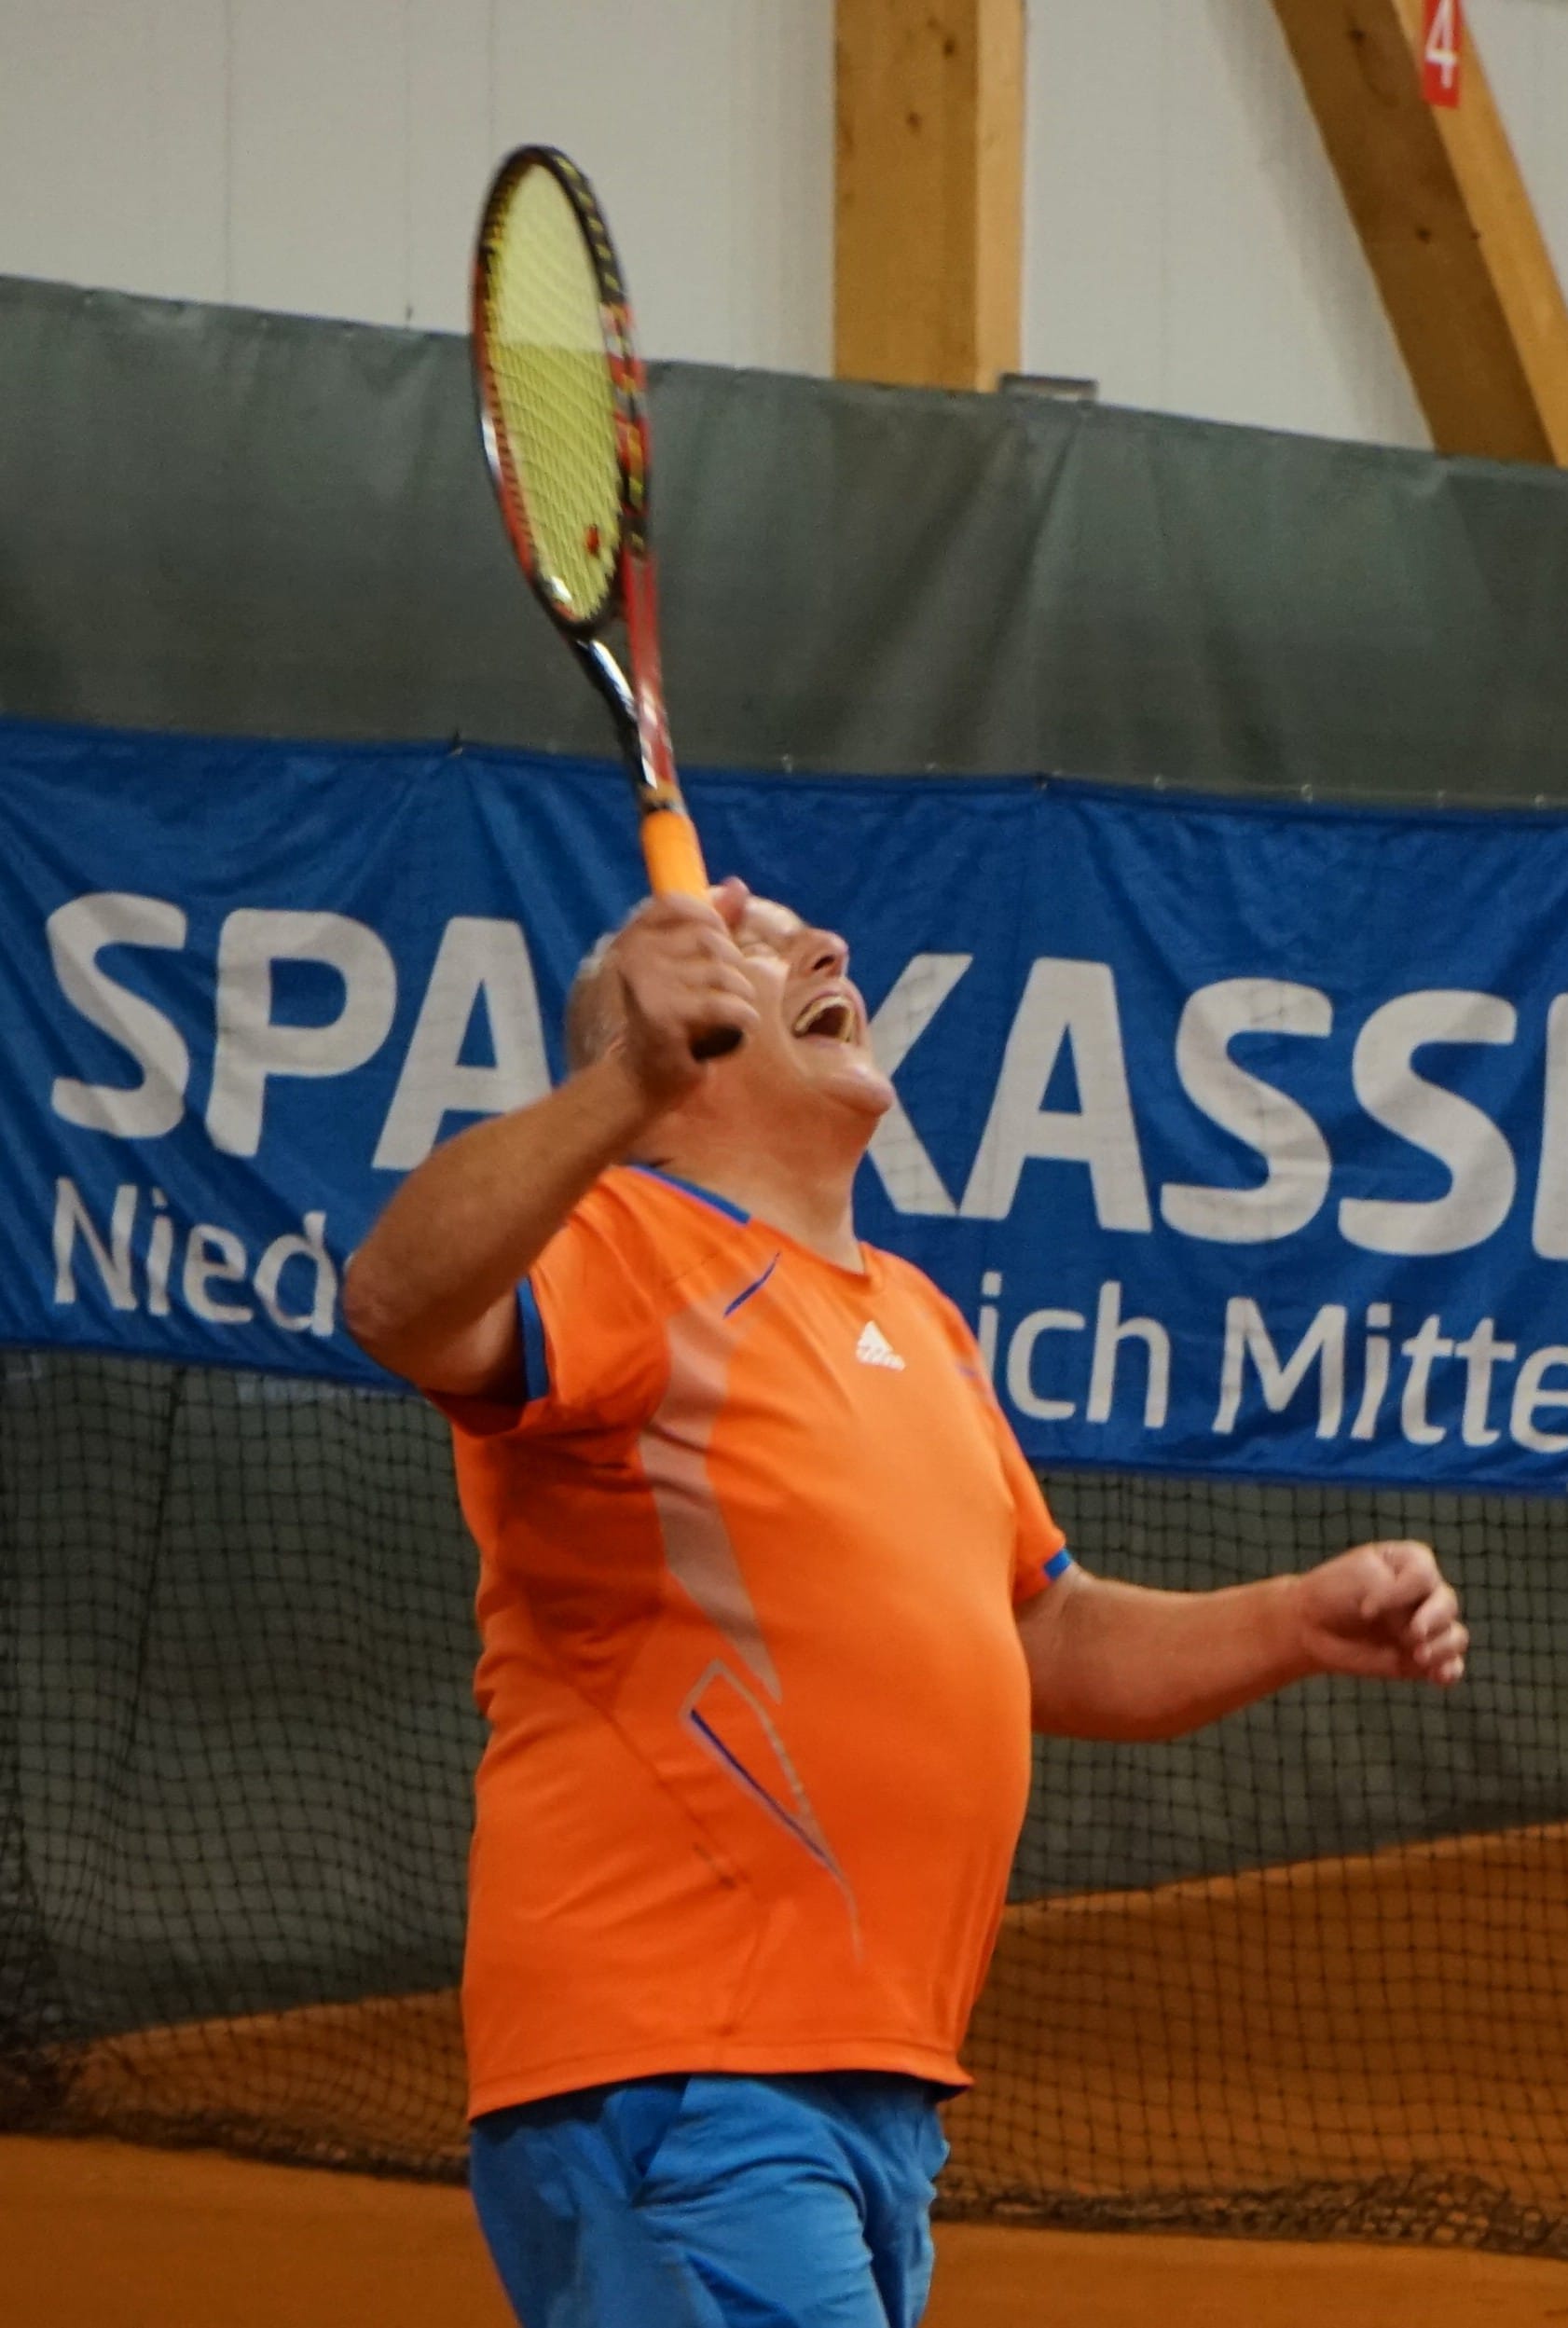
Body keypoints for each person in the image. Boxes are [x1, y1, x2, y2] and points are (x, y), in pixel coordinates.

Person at [344, 877, 1467, 2328]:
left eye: (801, 935)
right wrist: (623, 1087)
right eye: (752, 951)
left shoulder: (915, 1318)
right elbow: (394, 1303)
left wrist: (1292, 1620)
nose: (825, 947)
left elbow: (1043, 1632)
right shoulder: (624, 1241)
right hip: (680, 2062)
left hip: (870, 2090)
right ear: (671, 1047)